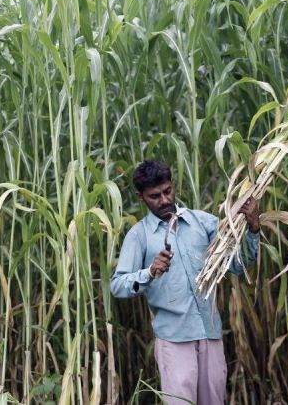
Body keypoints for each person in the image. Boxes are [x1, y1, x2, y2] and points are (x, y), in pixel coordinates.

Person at [110, 159, 260, 404]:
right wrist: (149, 272)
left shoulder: (203, 223)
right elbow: (117, 285)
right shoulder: (139, 236)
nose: (165, 200)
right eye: (155, 196)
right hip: (174, 340)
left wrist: (253, 230)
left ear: (173, 185)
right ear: (141, 197)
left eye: (168, 191)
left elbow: (237, 265)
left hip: (210, 333)